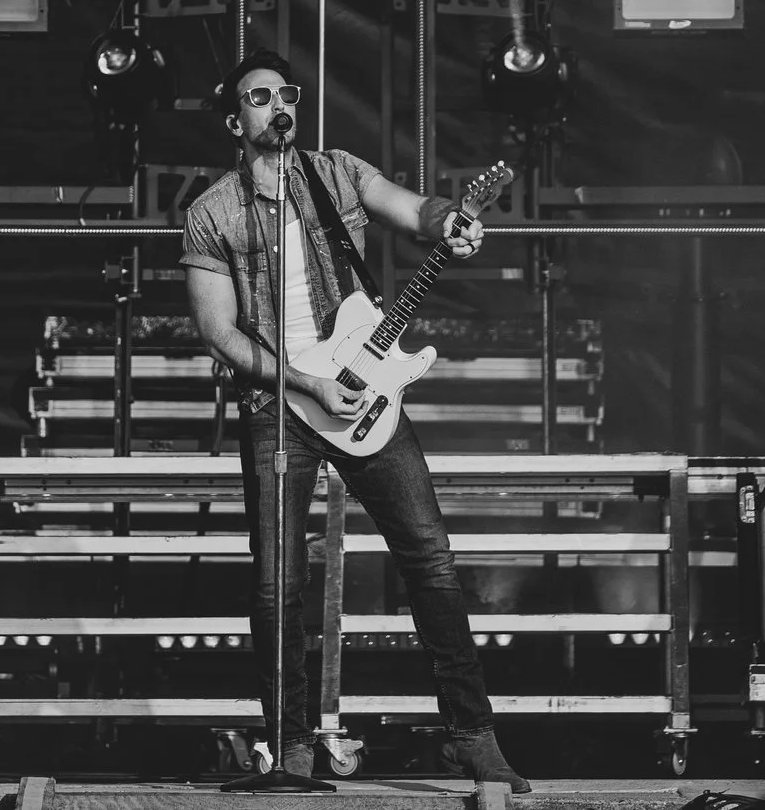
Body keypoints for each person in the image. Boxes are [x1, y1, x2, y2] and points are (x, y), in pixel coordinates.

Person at [180, 50, 527, 791]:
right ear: (232, 118)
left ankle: (472, 733)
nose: (278, 107)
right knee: (279, 586)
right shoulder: (212, 211)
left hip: (367, 390)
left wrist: (452, 220)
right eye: (259, 96)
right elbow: (220, 334)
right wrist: (304, 379)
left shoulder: (335, 172)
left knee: (429, 558)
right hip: (282, 406)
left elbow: (414, 207)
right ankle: (292, 746)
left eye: (287, 95)